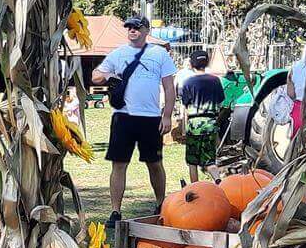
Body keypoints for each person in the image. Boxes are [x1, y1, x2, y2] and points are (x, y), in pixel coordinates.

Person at [90, 16, 177, 217]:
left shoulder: (160, 54)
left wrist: (167, 116)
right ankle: (115, 211)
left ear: (146, 30)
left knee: (154, 163)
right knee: (119, 164)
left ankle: (160, 203)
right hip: (123, 117)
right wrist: (108, 76)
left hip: (150, 117)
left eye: (137, 27)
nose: (132, 30)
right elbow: (96, 75)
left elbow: (169, 86)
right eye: (129, 27)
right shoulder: (119, 53)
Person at [177, 49, 226, 182]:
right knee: (210, 160)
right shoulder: (215, 80)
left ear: (191, 65)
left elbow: (185, 106)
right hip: (211, 124)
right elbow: (221, 102)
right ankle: (217, 181)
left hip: (194, 125)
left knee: (192, 162)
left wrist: (183, 128)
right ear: (207, 63)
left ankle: (196, 188)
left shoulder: (188, 82)